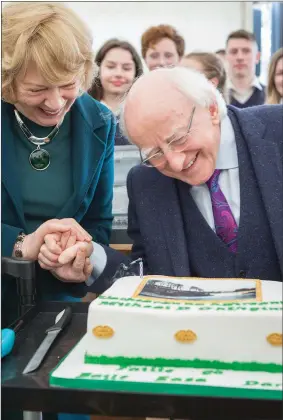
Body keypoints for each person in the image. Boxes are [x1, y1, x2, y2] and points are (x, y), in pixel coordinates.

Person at [52, 67, 282, 286]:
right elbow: (147, 276)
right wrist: (91, 259)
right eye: (155, 154)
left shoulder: (277, 130)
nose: (176, 163)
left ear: (211, 109)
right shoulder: (145, 182)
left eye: (179, 139)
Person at [2, 1, 116, 328]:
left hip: (56, 305)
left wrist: (79, 254)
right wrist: (21, 244)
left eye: (68, 84)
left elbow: (97, 221)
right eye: (37, 89)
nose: (55, 104)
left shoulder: (100, 121)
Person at [89, 38, 143, 145]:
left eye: (126, 68)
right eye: (111, 66)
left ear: (136, 73)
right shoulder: (82, 111)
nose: (118, 73)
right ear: (98, 69)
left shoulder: (145, 113)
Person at [225, 29, 265, 107]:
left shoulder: (271, 96)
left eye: (246, 51)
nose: (240, 57)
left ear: (257, 57)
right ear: (226, 56)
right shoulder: (214, 96)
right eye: (234, 51)